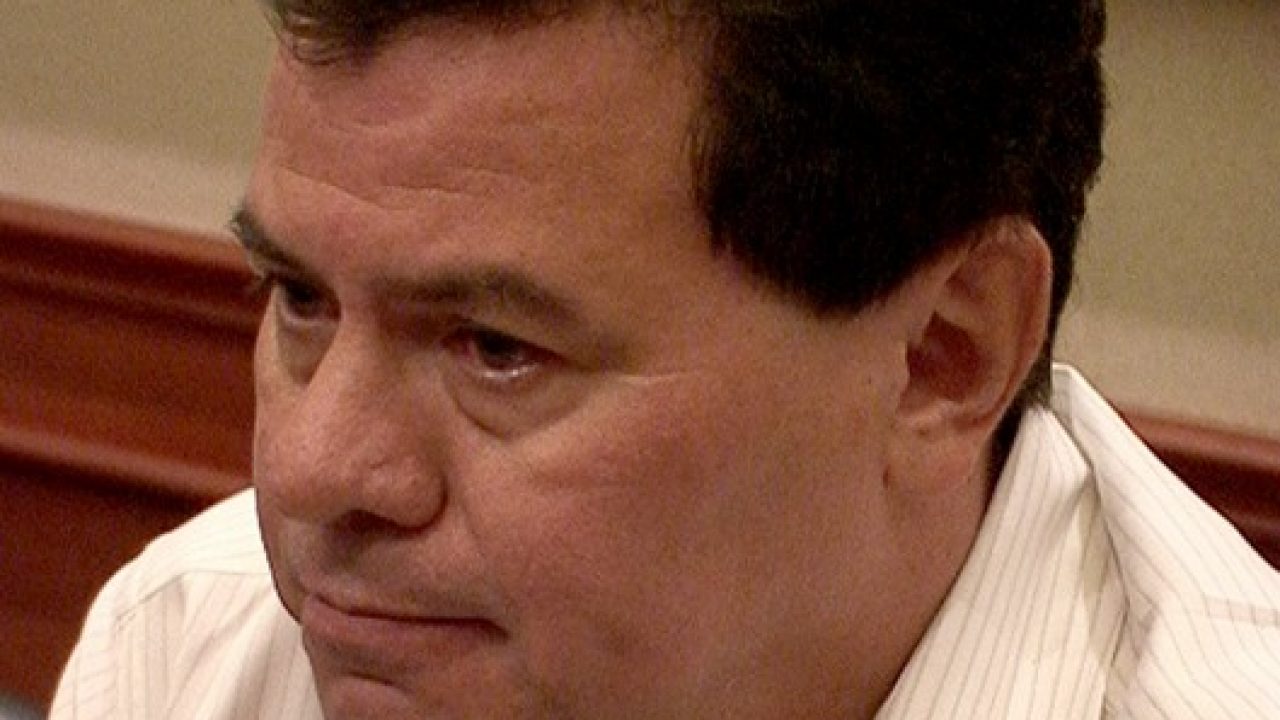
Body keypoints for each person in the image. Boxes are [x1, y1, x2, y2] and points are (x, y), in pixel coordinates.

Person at [52, 1, 1280, 718]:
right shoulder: (188, 651)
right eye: (300, 300)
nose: (308, 470)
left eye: (496, 348)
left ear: (941, 357)